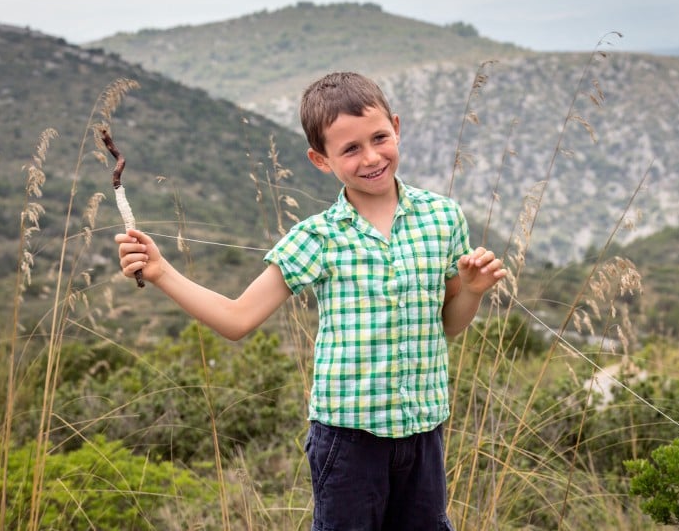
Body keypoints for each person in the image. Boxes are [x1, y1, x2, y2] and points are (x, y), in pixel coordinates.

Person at [116, 71, 506, 530]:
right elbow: (237, 318)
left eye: (379, 137)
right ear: (320, 160)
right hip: (348, 442)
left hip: (424, 435)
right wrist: (162, 272)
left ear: (396, 127)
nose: (372, 157)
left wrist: (474, 291)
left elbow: (447, 324)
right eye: (350, 149)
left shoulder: (443, 218)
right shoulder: (317, 237)